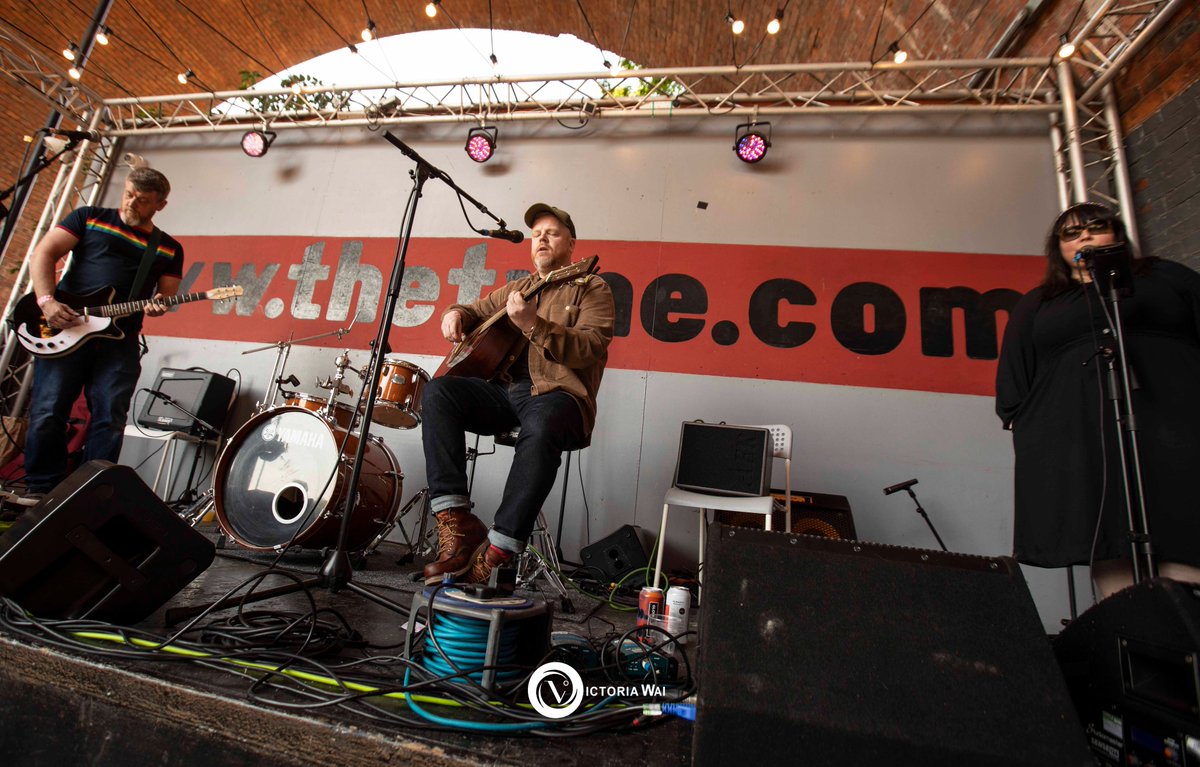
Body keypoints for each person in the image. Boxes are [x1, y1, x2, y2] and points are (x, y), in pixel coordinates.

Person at [995, 201, 1200, 599]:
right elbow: (1014, 379)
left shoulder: (1164, 277)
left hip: (1173, 424)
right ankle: (1131, 641)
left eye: (1095, 226)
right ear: (1058, 248)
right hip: (1083, 437)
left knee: (1181, 523)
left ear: (1117, 234)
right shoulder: (1039, 303)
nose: (1084, 235)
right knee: (1110, 542)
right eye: (1071, 233)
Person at [420, 202, 615, 585]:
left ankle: (498, 551)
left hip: (559, 394)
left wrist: (534, 325)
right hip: (507, 394)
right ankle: (456, 524)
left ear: (571, 244)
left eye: (552, 232)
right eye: (536, 234)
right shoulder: (518, 288)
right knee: (440, 391)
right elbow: (472, 310)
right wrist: (454, 313)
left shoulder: (592, 287)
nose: (541, 238)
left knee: (542, 424)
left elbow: (590, 347)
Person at [22, 168, 183, 496]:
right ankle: (39, 490)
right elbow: (44, 252)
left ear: (160, 205)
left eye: (142, 200)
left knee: (109, 415)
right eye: (129, 194)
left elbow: (166, 296)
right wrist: (47, 301)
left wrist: (159, 304)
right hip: (66, 327)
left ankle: (87, 493)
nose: (131, 202)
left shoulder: (168, 248)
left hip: (119, 340)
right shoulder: (90, 217)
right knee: (48, 409)